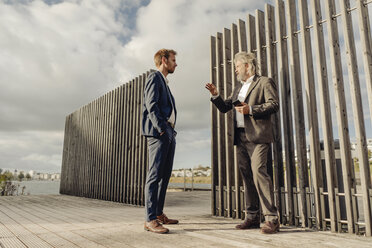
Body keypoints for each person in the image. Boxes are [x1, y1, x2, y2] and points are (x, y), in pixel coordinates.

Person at [205, 52, 280, 234]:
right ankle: (252, 217)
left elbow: (274, 104)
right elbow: (225, 108)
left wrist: (251, 109)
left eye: (237, 66)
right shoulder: (238, 88)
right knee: (247, 177)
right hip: (241, 137)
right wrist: (216, 96)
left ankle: (272, 219)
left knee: (259, 173)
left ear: (247, 65)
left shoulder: (264, 82)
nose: (236, 69)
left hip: (259, 136)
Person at [141, 49, 179, 234]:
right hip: (159, 133)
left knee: (165, 176)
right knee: (154, 176)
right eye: (173, 60)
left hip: (169, 132)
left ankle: (158, 213)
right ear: (164, 60)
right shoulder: (154, 77)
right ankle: (150, 219)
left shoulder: (165, 82)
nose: (176, 64)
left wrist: (170, 131)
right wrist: (162, 128)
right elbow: (151, 104)